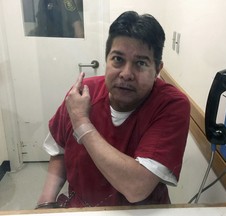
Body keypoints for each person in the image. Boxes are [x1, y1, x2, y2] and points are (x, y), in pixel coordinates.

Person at [36, 11, 190, 208]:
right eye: (118, 59)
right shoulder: (82, 94)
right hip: (82, 209)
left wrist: (82, 123)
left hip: (142, 211)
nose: (126, 74)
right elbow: (58, 150)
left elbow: (137, 187)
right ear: (107, 59)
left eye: (141, 63)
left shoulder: (171, 105)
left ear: (157, 70)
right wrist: (45, 204)